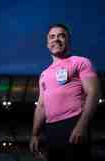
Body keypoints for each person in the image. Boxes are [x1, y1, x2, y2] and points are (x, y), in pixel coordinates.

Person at [29, 24, 100, 161]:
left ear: (68, 41)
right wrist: (35, 135)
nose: (56, 39)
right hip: (51, 129)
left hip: (74, 123)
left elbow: (93, 93)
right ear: (47, 43)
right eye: (52, 37)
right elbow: (41, 106)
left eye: (61, 36)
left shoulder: (81, 62)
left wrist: (81, 125)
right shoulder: (44, 74)